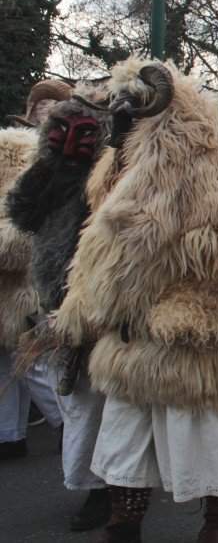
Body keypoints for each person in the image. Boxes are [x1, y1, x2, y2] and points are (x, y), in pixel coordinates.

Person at [53, 59, 218, 542]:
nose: (118, 121)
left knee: (202, 437)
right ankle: (124, 522)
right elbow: (101, 245)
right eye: (115, 112)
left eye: (127, 111)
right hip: (127, 335)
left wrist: (184, 316)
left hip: (184, 341)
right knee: (125, 445)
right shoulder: (123, 170)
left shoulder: (211, 166)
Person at [7, 81, 113, 531]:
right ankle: (98, 489)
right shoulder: (49, 171)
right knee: (77, 399)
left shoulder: (113, 172)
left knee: (105, 400)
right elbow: (23, 213)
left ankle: (115, 489)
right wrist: (50, 165)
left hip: (105, 297)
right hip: (58, 299)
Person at [0, 81, 70, 462]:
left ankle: (65, 422)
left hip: (32, 277)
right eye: (38, 106)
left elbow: (29, 222)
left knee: (32, 358)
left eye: (51, 106)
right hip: (8, 279)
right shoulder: (11, 151)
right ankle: (9, 434)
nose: (44, 112)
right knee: (7, 361)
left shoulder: (51, 161)